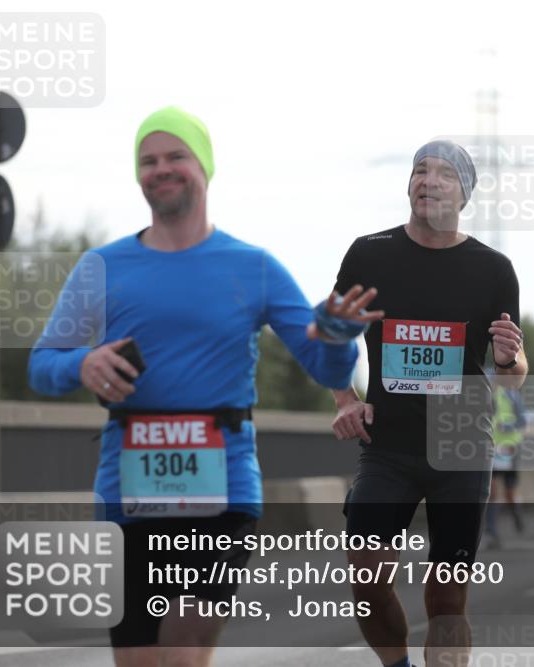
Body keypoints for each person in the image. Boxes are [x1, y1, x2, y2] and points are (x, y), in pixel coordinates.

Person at [28, 106, 375, 667]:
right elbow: (42, 366)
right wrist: (81, 364)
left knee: (184, 654)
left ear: (204, 167)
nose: (161, 169)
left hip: (223, 488)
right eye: (148, 160)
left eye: (175, 156)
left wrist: (337, 338)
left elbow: (327, 370)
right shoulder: (102, 265)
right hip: (128, 490)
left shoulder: (252, 267)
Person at [328, 140, 527, 667]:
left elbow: (512, 376)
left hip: (460, 444)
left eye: (443, 174)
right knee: (366, 577)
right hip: (387, 444)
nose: (428, 180)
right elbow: (330, 336)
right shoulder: (369, 254)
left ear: (464, 195)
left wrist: (509, 361)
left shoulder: (493, 269)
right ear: (409, 184)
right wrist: (345, 399)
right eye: (420, 170)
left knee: (445, 599)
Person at [485, 384, 527, 546]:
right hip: (491, 448)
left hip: (510, 447)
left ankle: (516, 512)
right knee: (491, 491)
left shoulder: (512, 395)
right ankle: (491, 532)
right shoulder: (481, 398)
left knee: (509, 493)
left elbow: (522, 421)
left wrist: (507, 427)